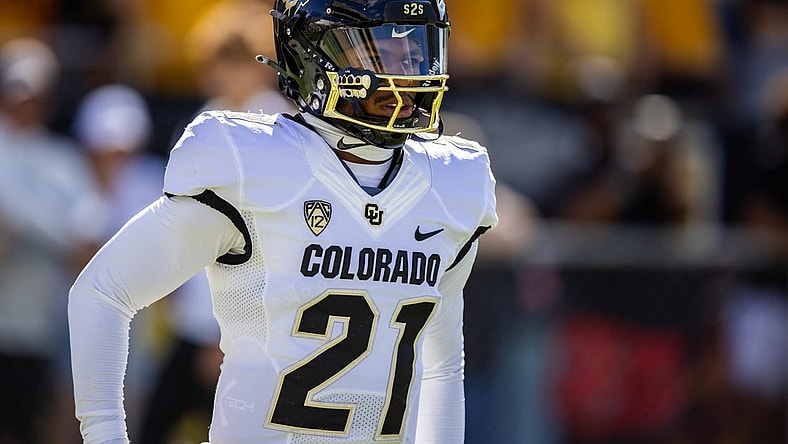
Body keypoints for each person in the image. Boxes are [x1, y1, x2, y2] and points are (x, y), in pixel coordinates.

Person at [68, 1, 498, 443]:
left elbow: (440, 365)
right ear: (312, 53)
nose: (406, 72)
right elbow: (103, 291)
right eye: (379, 51)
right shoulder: (252, 161)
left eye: (414, 51)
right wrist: (104, 434)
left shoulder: (448, 184)